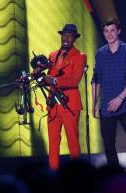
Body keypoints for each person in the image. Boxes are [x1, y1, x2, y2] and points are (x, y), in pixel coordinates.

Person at [91, 18, 126, 166]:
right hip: (106, 107)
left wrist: (120, 98)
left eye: (112, 30)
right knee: (108, 144)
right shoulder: (100, 54)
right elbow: (96, 80)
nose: (109, 34)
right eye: (106, 31)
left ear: (118, 31)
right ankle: (113, 175)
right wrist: (94, 104)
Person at [44, 24, 87, 170]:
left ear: (74, 39)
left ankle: (77, 175)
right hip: (53, 105)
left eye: (70, 35)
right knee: (53, 143)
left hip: (69, 104)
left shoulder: (80, 56)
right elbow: (45, 76)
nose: (66, 38)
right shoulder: (52, 55)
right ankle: (53, 175)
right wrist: (30, 77)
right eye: (64, 35)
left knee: (72, 142)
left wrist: (55, 80)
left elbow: (75, 80)